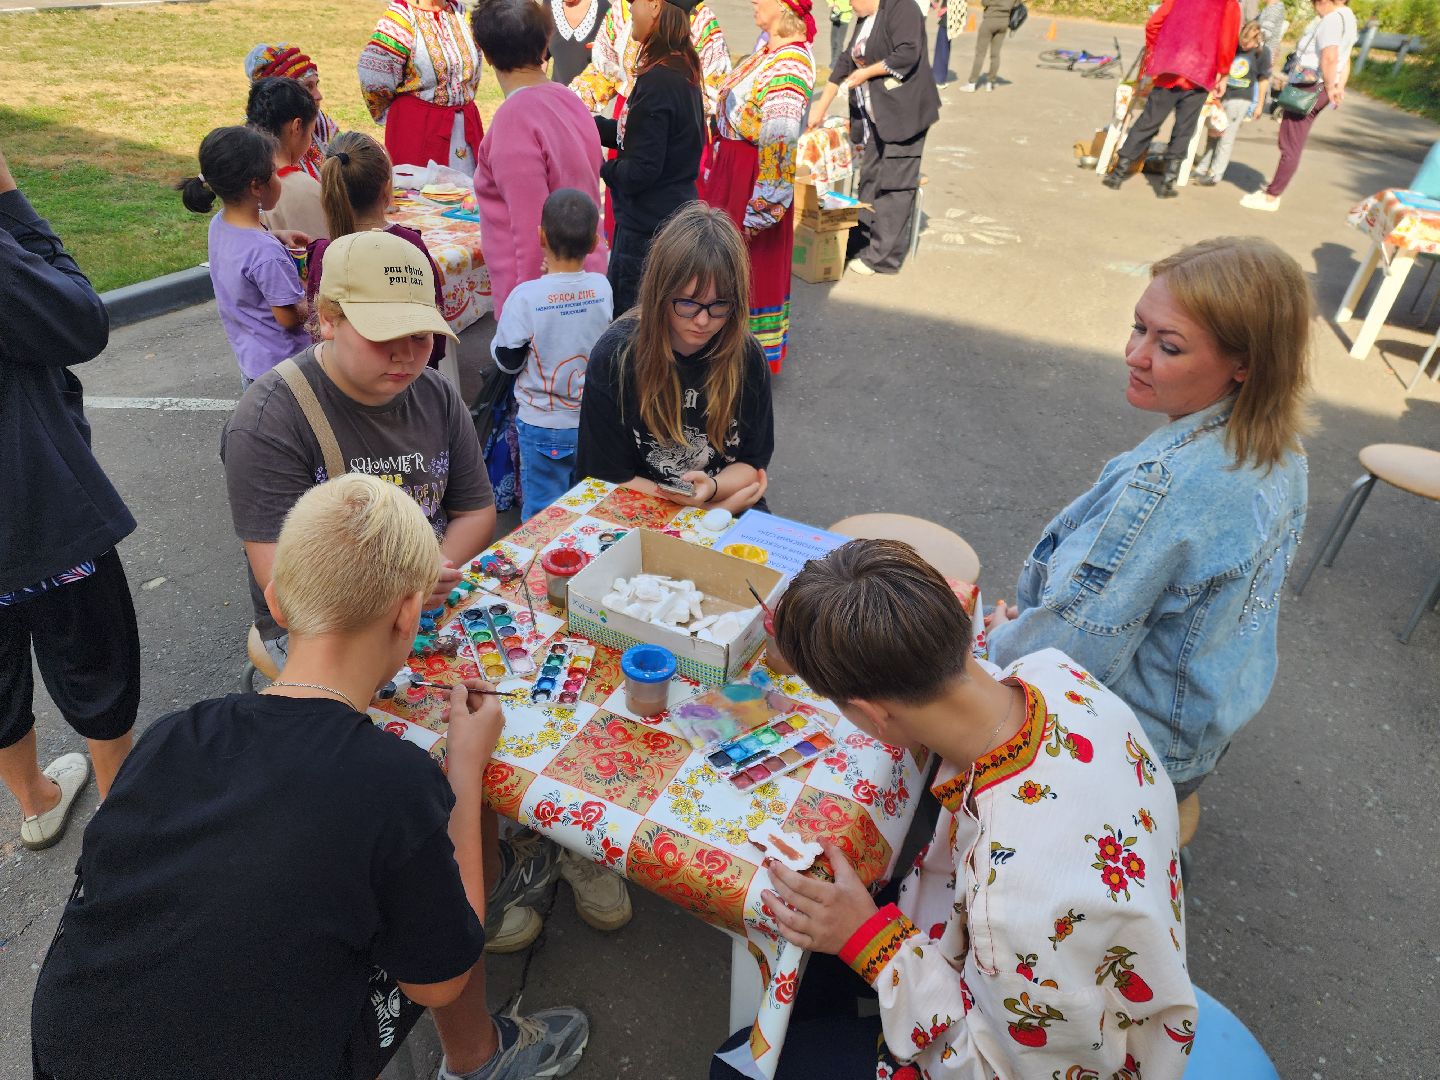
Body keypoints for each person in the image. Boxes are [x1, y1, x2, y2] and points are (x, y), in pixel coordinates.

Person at [30, 474, 590, 1080]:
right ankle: (476, 1063)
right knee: (410, 913)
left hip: (67, 1049)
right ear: (408, 613)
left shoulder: (172, 734)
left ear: (276, 601)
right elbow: (441, 981)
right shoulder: (394, 783)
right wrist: (463, 770)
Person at [710, 539, 1197, 1079]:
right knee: (809, 948)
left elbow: (985, 1068)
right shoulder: (1051, 671)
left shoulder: (1010, 902)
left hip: (1044, 1052)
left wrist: (868, 941)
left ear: (875, 717)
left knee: (737, 1066)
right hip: (1037, 961)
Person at [985, 237, 1311, 799]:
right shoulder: (1280, 450)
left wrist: (1003, 644)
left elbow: (1068, 651)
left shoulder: (1168, 487)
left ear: (1244, 364)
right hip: (1195, 736)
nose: (1135, 355)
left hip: (1125, 746)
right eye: (1140, 328)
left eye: (1170, 346)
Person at [0, 145, 139, 853]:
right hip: (38, 510)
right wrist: (11, 200)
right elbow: (79, 321)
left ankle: (36, 799)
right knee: (96, 664)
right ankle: (120, 822)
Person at [574, 203, 772, 514]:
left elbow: (752, 465)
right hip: (636, 507)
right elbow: (604, 477)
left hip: (723, 503)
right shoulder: (616, 356)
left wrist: (713, 489)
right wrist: (707, 512)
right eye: (688, 303)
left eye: (719, 305)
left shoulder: (748, 358)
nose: (703, 321)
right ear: (660, 293)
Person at [470, 0, 609, 318]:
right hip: (586, 284)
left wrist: (522, 326)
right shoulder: (570, 100)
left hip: (545, 305)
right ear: (545, 43)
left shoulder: (514, 120)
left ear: (486, 52)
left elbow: (531, 235)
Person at [703, 0, 817, 374]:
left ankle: (741, 362)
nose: (753, 1)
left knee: (746, 266)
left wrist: (760, 211)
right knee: (723, 266)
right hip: (734, 172)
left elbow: (779, 147)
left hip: (751, 182)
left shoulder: (790, 64)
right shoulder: (768, 52)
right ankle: (722, 351)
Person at [491, 189, 614, 520]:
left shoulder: (525, 297)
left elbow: (508, 359)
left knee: (544, 515)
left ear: (541, 237)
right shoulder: (603, 289)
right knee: (585, 508)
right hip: (588, 424)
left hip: (541, 425)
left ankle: (541, 568)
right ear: (593, 243)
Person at [809, 0, 939, 277]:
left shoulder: (901, 7)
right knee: (870, 176)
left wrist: (866, 72)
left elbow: (908, 52)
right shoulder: (866, 17)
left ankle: (883, 258)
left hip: (905, 116)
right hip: (877, 118)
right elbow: (846, 60)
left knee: (894, 185)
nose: (848, 5)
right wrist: (820, 107)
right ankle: (862, 240)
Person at [595, 0, 707, 315]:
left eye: (637, 4)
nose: (631, 9)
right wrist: (591, 127)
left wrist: (604, 168)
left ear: (656, 6)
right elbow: (645, 135)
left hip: (648, 231)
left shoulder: (661, 78)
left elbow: (641, 169)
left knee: (632, 326)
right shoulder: (678, 65)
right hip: (668, 219)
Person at [178, 125, 311, 388]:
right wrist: (320, 295)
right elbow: (289, 317)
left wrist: (276, 235)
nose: (278, 178)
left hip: (253, 362)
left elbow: (246, 251)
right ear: (256, 187)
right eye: (274, 172)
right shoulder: (265, 254)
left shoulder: (220, 224)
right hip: (287, 373)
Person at [305, 130, 447, 368]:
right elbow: (434, 322)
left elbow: (318, 333)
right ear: (387, 189)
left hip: (347, 381)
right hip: (409, 377)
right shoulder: (409, 245)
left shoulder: (324, 254)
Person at [1102, 0, 1241, 199]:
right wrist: (1224, 73)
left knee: (1148, 121)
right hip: (1201, 72)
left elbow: (1153, 23)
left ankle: (1118, 174)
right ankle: (1167, 183)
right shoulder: (1229, 4)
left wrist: (1157, 50)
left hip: (1170, 67)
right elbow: (1228, 40)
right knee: (1185, 128)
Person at [1241, 0, 1357, 211]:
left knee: (1290, 143)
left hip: (1310, 86)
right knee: (1292, 140)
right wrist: (1339, 85)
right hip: (1321, 86)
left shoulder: (1331, 19)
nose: (1315, 8)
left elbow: (1330, 57)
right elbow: (1345, 57)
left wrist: (1331, 87)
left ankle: (1271, 196)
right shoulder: (1348, 16)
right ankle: (1276, 185)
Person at [359, 0, 484, 174]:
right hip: (417, 129)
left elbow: (474, 74)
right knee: (420, 195)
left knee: (467, 194)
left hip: (463, 127)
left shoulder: (462, 14)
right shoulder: (400, 17)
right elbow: (373, 76)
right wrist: (400, 114)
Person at [247, 76, 329, 242]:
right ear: (297, 127)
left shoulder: (235, 180)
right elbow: (322, 257)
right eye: (311, 131)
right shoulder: (305, 189)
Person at [243, 42, 338, 180]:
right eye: (308, 87)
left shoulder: (319, 122)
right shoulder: (257, 153)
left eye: (316, 85)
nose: (319, 96)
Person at [1194, 20, 1271, 186]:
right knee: (1213, 132)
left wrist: (1259, 104)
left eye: (1247, 43)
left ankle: (1215, 174)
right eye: (1242, 42)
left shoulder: (1262, 53)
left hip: (1241, 98)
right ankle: (1202, 167)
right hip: (1224, 94)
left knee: (1226, 137)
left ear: (1256, 40)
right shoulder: (1235, 47)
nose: (1243, 46)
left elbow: (1263, 80)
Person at [956, 0, 1016, 92]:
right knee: (995, 54)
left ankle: (972, 83)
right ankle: (990, 82)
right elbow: (1017, 5)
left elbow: (984, 2)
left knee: (980, 54)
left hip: (990, 21)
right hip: (1004, 23)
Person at [550, 0, 612, 86]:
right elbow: (539, 60)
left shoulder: (603, 8)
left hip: (591, 96)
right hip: (557, 96)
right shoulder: (549, 5)